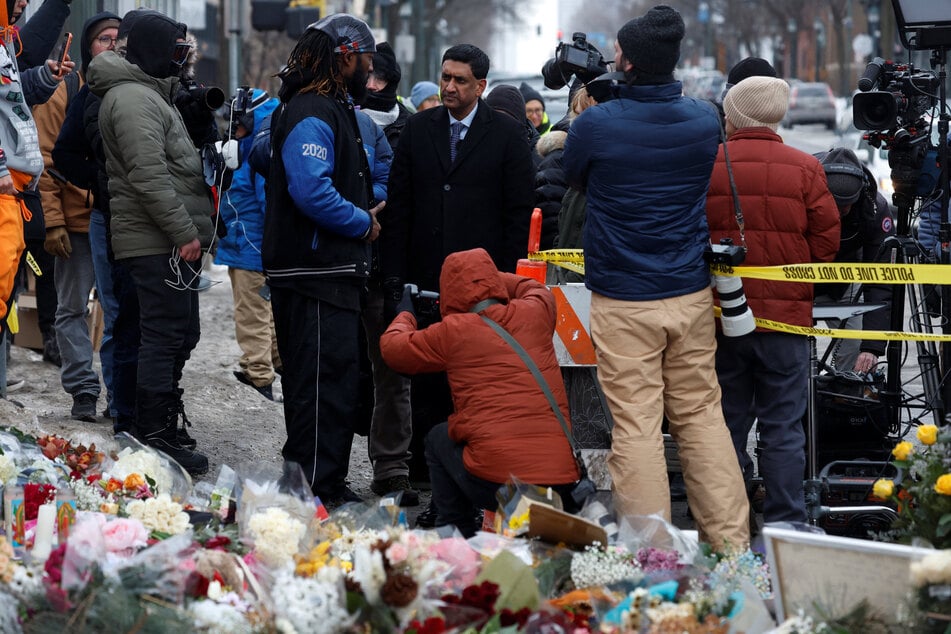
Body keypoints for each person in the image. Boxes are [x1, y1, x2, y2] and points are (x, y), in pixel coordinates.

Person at [561, 4, 750, 550]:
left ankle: (655, 553)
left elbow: (571, 173)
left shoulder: (596, 124)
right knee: (701, 417)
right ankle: (731, 547)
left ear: (628, 63)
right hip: (689, 292)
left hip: (624, 298)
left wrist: (592, 105)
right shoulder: (702, 118)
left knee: (637, 427)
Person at [380, 43, 535, 523]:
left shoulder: (509, 136)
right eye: (445, 77)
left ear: (481, 86)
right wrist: (396, 278)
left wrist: (505, 283)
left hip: (483, 288)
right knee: (428, 387)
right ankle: (437, 497)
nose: (449, 87)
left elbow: (516, 215)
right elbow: (401, 207)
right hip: (427, 280)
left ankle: (476, 497)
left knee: (474, 388)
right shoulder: (418, 130)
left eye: (460, 80)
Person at [706, 75, 841, 523]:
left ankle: (728, 519)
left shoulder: (710, 164)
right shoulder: (806, 168)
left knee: (726, 422)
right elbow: (825, 247)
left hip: (723, 317)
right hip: (786, 321)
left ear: (736, 115)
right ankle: (786, 520)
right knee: (784, 426)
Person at [262, 13, 382, 506]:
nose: (371, 70)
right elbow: (311, 189)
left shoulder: (328, 106)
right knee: (318, 382)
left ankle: (317, 480)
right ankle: (314, 488)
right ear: (346, 54)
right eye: (367, 59)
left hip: (325, 271)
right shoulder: (314, 109)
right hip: (314, 273)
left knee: (331, 381)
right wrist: (362, 222)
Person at [88, 10, 214, 475]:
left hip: (161, 238)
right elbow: (148, 175)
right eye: (176, 51)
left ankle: (159, 424)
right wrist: (183, 232)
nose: (182, 60)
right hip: (155, 241)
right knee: (162, 338)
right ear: (153, 51)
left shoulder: (149, 95)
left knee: (179, 334)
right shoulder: (133, 99)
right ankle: (153, 433)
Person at [380, 247, 579, 537]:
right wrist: (485, 280)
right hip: (561, 482)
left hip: (499, 485)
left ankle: (458, 537)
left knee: (437, 439)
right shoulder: (536, 310)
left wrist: (406, 313)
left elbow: (393, 349)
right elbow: (530, 286)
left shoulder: (453, 331)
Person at [36, 13, 120, 423]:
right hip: (75, 222)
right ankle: (84, 390)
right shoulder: (66, 90)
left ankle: (120, 394)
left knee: (119, 310)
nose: (113, 44)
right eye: (105, 38)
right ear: (89, 46)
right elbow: (46, 161)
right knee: (71, 309)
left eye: (120, 38)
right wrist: (52, 222)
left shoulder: (134, 89)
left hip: (122, 223)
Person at [214, 89, 282, 401]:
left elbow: (267, 201)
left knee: (252, 311)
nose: (232, 125)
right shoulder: (253, 145)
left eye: (237, 120)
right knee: (265, 310)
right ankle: (275, 362)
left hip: (250, 244)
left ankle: (259, 372)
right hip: (250, 242)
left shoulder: (258, 148)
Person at [813, 147, 895, 374]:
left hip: (844, 284)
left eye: (846, 206)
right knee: (792, 355)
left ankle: (847, 396)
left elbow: (881, 280)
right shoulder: (801, 193)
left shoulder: (875, 208)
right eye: (835, 205)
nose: (840, 213)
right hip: (796, 284)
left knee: (856, 349)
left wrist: (872, 346)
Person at [485, 83, 541, 167]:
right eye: (495, 118)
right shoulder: (474, 148)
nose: (500, 124)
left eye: (506, 119)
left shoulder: (538, 157)